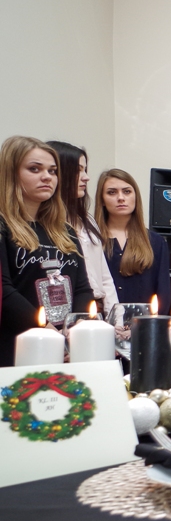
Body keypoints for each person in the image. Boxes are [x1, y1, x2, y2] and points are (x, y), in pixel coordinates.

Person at [0, 136, 94, 366]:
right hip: (17, 346)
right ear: (11, 173)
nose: (47, 177)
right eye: (35, 169)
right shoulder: (3, 226)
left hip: (64, 347)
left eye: (52, 171)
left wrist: (73, 331)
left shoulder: (65, 231)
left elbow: (82, 288)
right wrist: (46, 330)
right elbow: (5, 291)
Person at [47, 141, 118, 314]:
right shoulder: (46, 224)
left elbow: (105, 277)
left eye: (85, 170)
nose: (86, 177)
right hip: (68, 310)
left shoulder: (87, 221)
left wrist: (116, 318)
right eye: (78, 170)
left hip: (97, 309)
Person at [94, 168, 171, 313]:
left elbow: (163, 296)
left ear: (135, 196)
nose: (121, 198)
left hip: (144, 325)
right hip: (103, 324)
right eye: (112, 192)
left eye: (127, 191)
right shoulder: (92, 241)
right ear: (102, 200)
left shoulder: (155, 242)